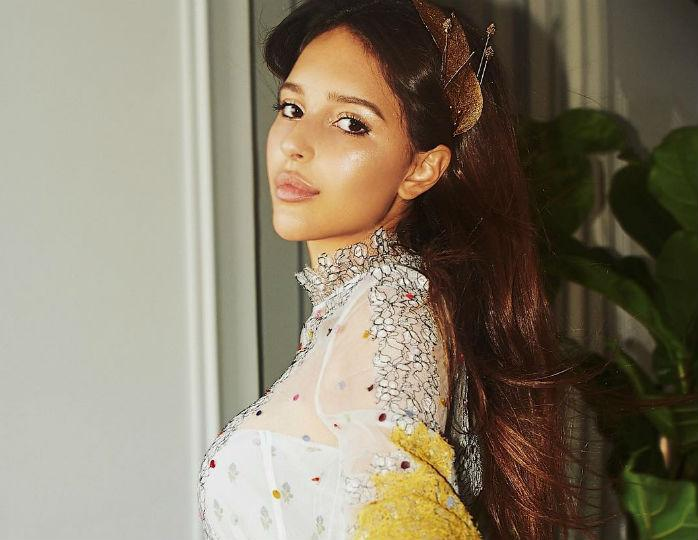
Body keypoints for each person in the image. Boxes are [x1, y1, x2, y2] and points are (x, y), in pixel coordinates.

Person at [198, 1, 600, 538]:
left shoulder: (392, 304)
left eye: (350, 123)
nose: (294, 144)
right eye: (291, 108)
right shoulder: (363, 306)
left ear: (421, 168)